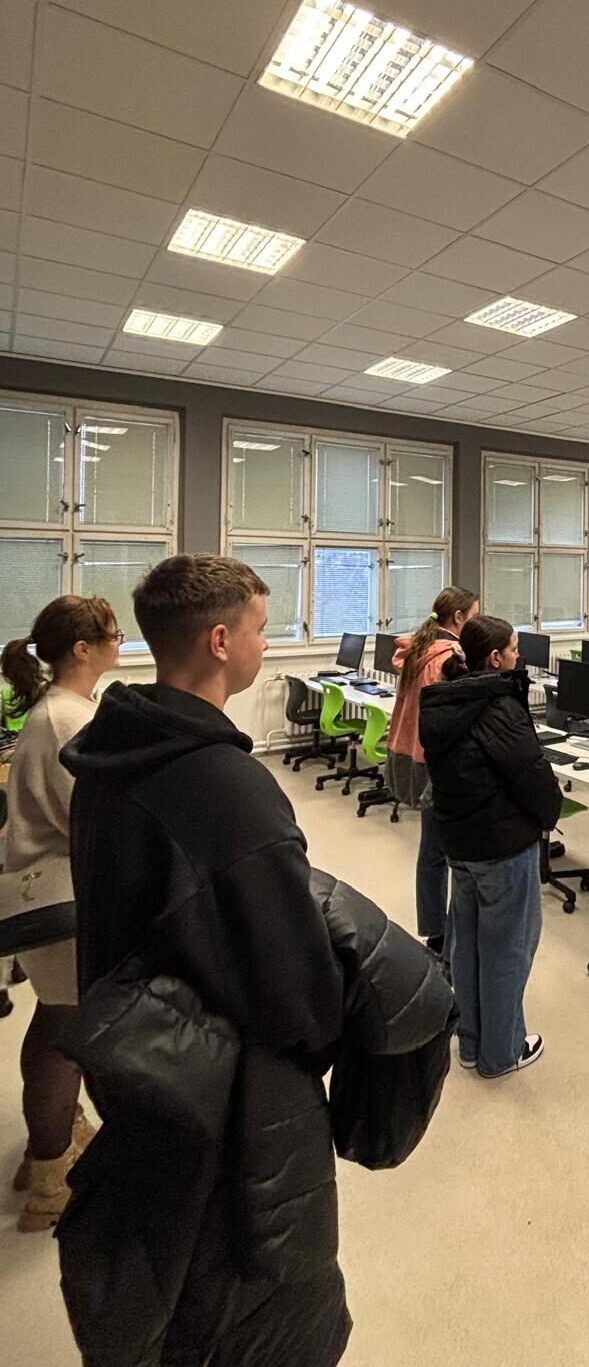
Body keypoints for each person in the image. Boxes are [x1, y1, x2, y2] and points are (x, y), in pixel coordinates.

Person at [59, 555, 352, 1364]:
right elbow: (298, 991)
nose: (268, 641)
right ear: (221, 641)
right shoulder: (228, 787)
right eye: (260, 627)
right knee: (247, 1317)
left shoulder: (108, 755)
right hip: (227, 1107)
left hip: (143, 1072)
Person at [0, 596, 120, 1231]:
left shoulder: (63, 710)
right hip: (63, 901)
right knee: (66, 1038)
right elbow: (92, 819)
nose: (119, 643)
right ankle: (51, 1180)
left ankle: (45, 1150)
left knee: (54, 1025)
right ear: (83, 648)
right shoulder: (66, 719)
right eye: (112, 635)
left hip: (52, 893)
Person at [419, 616, 562, 1078]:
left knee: (467, 945)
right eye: (515, 649)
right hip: (502, 846)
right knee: (507, 948)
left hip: (459, 844)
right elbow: (530, 775)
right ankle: (502, 1053)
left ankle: (470, 1042)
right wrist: (550, 814)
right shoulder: (498, 706)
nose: (520, 656)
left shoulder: (442, 701)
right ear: (496, 658)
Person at [386, 586, 478, 957]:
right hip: (438, 762)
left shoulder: (417, 650)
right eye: (474, 617)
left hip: (413, 754)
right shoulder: (446, 658)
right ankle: (449, 939)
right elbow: (447, 720)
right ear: (458, 618)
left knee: (431, 850)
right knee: (452, 855)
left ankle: (435, 931)